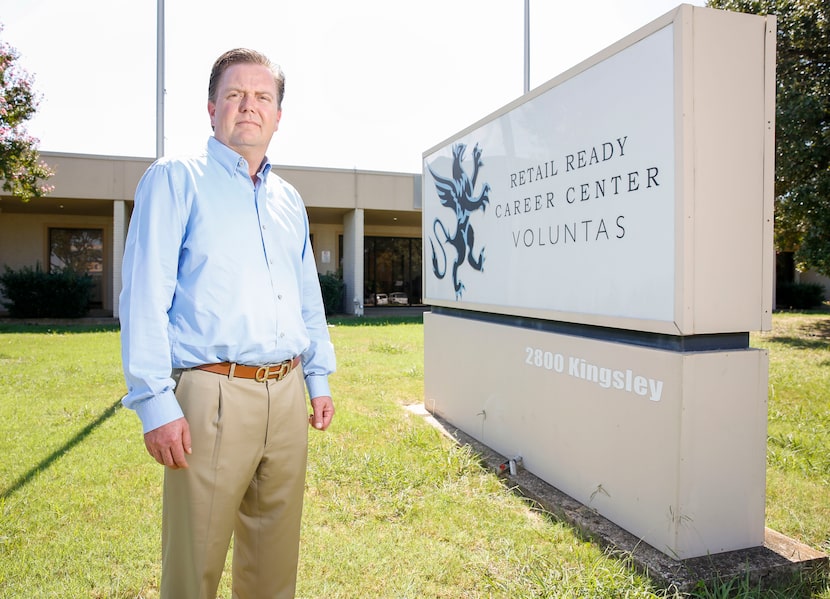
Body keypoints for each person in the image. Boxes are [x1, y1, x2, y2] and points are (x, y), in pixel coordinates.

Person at [119, 48, 336, 599]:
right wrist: (155, 402)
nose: (249, 106)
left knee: (273, 568)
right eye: (235, 94)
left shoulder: (290, 200)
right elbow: (144, 296)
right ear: (211, 107)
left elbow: (306, 297)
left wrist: (318, 378)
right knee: (193, 572)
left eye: (263, 97)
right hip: (211, 394)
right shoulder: (175, 180)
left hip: (286, 397)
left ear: (278, 114)